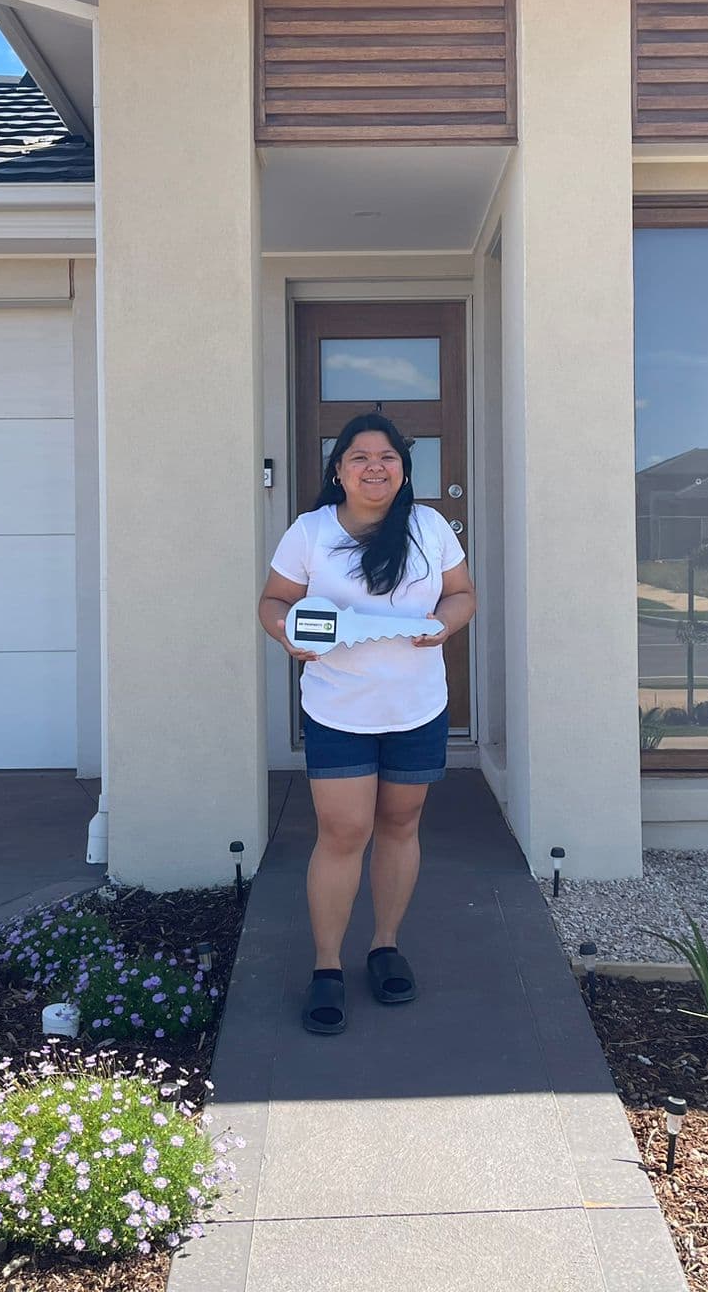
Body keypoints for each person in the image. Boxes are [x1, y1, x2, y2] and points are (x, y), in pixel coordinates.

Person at [258, 412, 476, 1035]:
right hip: (337, 706)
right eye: (360, 456)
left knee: (401, 823)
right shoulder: (310, 532)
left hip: (417, 706)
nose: (375, 466)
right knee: (343, 831)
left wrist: (444, 625)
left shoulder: (429, 526)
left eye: (388, 456)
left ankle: (384, 945)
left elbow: (463, 595)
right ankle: (327, 964)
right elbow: (274, 602)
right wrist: (288, 635)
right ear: (338, 470)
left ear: (404, 469)